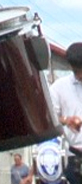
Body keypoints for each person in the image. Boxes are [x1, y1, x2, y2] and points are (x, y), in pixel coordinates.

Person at [49, 42, 82, 184]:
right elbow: (50, 116)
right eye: (76, 71)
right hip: (74, 156)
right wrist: (67, 120)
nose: (80, 75)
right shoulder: (59, 87)